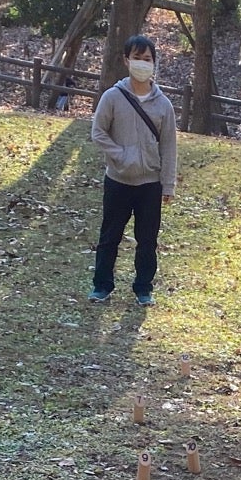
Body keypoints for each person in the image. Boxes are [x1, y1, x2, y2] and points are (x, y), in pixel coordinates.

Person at [89, 35, 177, 306]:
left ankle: (143, 288)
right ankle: (102, 285)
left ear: (154, 64)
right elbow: (98, 131)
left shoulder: (164, 105)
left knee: (147, 240)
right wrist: (121, 156)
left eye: (147, 59)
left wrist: (168, 184)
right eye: (137, 58)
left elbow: (169, 147)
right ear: (126, 61)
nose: (142, 64)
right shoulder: (113, 97)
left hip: (150, 184)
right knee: (109, 236)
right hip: (118, 180)